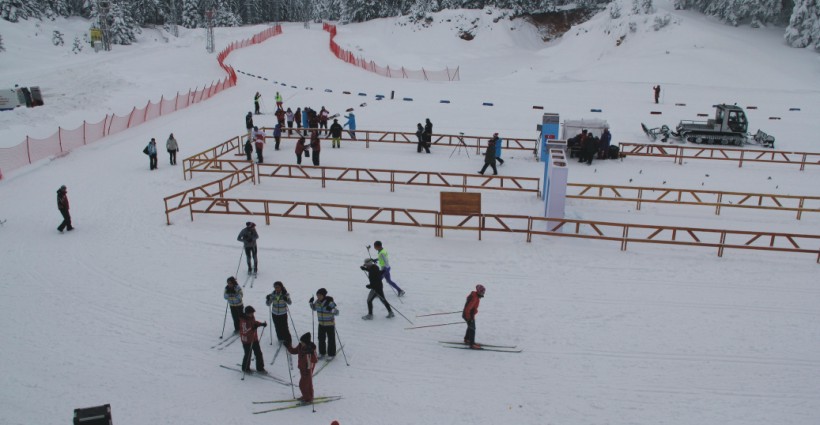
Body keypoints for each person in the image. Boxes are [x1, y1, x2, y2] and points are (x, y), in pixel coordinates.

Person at [287, 332, 318, 404]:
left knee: (302, 384)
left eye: (302, 342)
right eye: (301, 341)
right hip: (302, 368)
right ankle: (307, 396)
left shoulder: (311, 349)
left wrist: (312, 352)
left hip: (308, 369)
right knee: (308, 383)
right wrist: (288, 346)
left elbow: (315, 360)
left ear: (306, 343)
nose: (301, 343)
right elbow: (293, 351)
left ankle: (307, 399)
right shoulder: (300, 346)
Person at [309, 288, 339, 359]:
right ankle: (322, 352)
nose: (318, 297)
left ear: (324, 295)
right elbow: (314, 308)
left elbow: (337, 312)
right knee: (321, 339)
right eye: (317, 295)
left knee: (331, 339)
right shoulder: (317, 302)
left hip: (330, 324)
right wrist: (311, 303)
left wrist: (331, 310)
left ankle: (331, 354)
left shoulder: (330, 303)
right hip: (321, 324)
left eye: (320, 295)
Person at [239, 305, 267, 373]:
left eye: (253, 313)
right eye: (251, 313)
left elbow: (254, 323)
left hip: (254, 339)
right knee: (248, 354)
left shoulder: (252, 317)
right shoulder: (243, 321)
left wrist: (261, 324)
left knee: (258, 353)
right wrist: (252, 328)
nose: (252, 314)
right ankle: (245, 368)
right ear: (247, 313)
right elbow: (244, 332)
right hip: (246, 340)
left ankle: (260, 368)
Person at [265, 281, 292, 346]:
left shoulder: (285, 294)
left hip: (283, 313)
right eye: (275, 287)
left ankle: (288, 340)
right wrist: (268, 299)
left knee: (284, 327)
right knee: (277, 326)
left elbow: (290, 303)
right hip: (274, 313)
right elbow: (268, 304)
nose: (276, 289)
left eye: (278, 287)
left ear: (281, 287)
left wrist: (286, 299)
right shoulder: (272, 294)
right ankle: (280, 338)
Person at [462, 284, 486, 349]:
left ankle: (467, 339)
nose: (483, 293)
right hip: (468, 315)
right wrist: (469, 318)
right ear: (478, 291)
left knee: (470, 326)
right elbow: (468, 308)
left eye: (484, 292)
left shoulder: (476, 296)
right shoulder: (475, 298)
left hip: (469, 314)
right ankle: (472, 344)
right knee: (472, 328)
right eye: (482, 292)